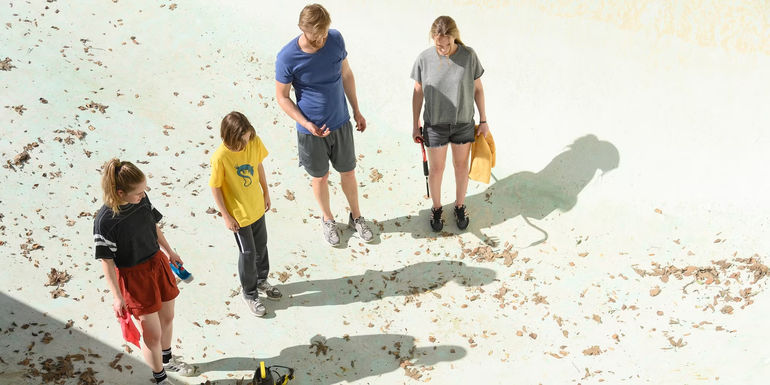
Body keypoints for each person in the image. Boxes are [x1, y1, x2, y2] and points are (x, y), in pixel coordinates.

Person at [275, 3, 373, 246]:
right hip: (311, 132)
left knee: (348, 172)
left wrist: (356, 110)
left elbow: (346, 74)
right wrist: (306, 124)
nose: (322, 39)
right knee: (320, 177)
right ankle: (327, 219)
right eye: (318, 35)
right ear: (303, 29)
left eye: (325, 33)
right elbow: (282, 97)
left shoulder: (336, 39)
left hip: (341, 122)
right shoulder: (287, 57)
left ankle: (356, 216)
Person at [94, 159, 194, 385]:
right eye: (138, 192)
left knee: (167, 318)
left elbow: (153, 226)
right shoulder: (105, 221)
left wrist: (170, 251)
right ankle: (160, 378)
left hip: (157, 265)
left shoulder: (142, 200)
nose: (143, 195)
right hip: (134, 278)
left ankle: (168, 359)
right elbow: (107, 262)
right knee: (152, 336)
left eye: (144, 190)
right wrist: (117, 296)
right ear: (120, 193)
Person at [411, 15, 490, 232]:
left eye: (448, 44)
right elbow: (418, 92)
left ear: (455, 38)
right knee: (437, 170)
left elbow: (478, 89)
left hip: (463, 122)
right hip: (434, 125)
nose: (444, 48)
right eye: (439, 44)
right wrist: (414, 123)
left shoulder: (469, 56)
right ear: (433, 39)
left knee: (461, 167)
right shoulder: (424, 59)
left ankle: (459, 205)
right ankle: (437, 208)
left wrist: (483, 120)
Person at [209, 111, 281, 317]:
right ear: (230, 138)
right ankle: (249, 293)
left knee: (262, 245)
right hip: (238, 215)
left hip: (256, 207)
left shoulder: (254, 142)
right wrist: (225, 215)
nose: (245, 145)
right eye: (241, 141)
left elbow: (258, 166)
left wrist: (266, 192)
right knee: (247, 253)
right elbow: (215, 187)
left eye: (247, 139)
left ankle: (261, 280)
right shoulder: (220, 157)